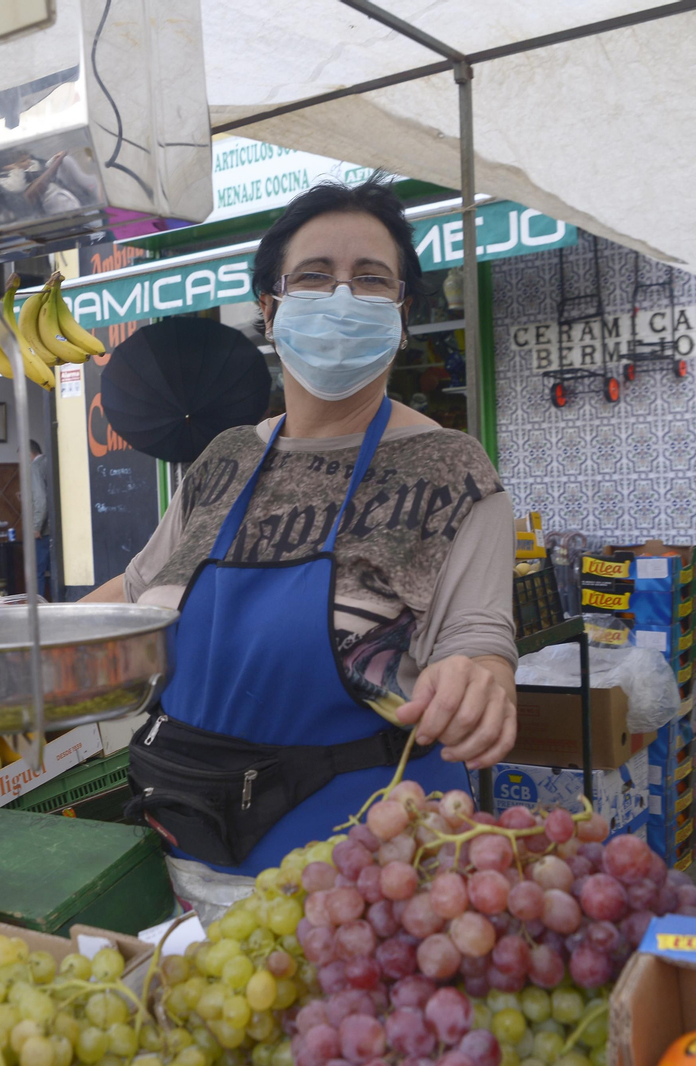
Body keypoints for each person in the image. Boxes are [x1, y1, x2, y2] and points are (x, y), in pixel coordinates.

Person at [84, 177, 519, 892]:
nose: (343, 298)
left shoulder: (449, 469)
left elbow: (477, 638)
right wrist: (19, 634)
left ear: (402, 313)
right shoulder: (225, 458)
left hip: (365, 866)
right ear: (269, 306)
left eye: (371, 280)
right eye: (315, 277)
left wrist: (481, 680)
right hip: (189, 841)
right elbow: (133, 594)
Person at [29, 439, 52, 593]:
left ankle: (39, 607)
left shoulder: (35, 466)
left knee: (37, 572)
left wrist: (36, 527)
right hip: (54, 527)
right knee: (53, 570)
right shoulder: (49, 463)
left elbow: (42, 500)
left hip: (43, 530)